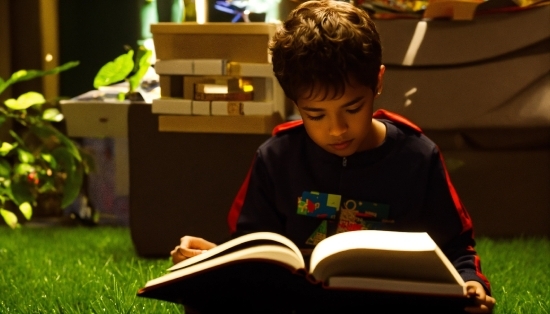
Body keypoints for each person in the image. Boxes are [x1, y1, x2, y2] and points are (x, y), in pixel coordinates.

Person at [171, 0, 496, 312]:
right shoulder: (277, 158)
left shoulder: (417, 157)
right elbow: (251, 249)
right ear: (296, 104)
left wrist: (471, 284)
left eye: (352, 108)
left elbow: (457, 247)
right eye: (316, 115)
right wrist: (211, 260)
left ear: (378, 82)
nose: (337, 129)